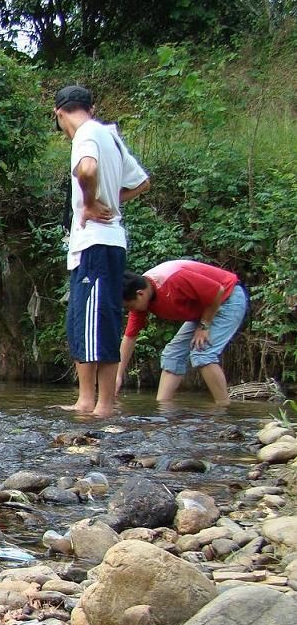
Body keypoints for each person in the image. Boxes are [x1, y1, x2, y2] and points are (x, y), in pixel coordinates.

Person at [53, 84, 151, 418]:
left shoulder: (86, 134)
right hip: (94, 246)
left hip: (98, 242)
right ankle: (85, 400)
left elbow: (88, 170)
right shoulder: (110, 135)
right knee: (81, 321)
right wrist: (112, 200)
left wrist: (93, 202)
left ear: (60, 114)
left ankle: (104, 404)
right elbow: (141, 182)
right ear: (89, 107)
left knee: (100, 322)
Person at [117, 260, 249, 405]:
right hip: (206, 309)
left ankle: (222, 408)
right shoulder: (141, 297)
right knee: (172, 354)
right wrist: (117, 376)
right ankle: (163, 410)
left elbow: (218, 291)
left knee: (202, 352)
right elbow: (130, 337)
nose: (130, 310)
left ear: (140, 294)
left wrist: (204, 326)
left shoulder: (173, 279)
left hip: (228, 298)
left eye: (129, 306)